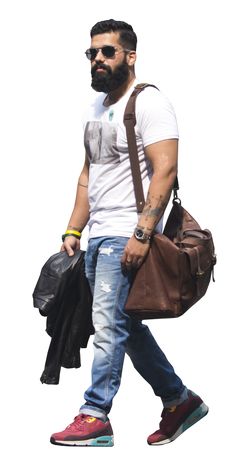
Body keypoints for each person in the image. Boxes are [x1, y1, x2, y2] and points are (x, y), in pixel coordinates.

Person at [50, 19, 208, 447]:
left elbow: (166, 170)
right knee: (124, 325)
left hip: (126, 233)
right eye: (92, 53)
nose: (98, 60)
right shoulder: (95, 109)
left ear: (130, 56)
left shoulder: (150, 102)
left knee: (108, 325)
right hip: (99, 235)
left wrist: (141, 234)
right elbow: (89, 175)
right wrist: (73, 228)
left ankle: (95, 413)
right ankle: (179, 401)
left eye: (107, 52)